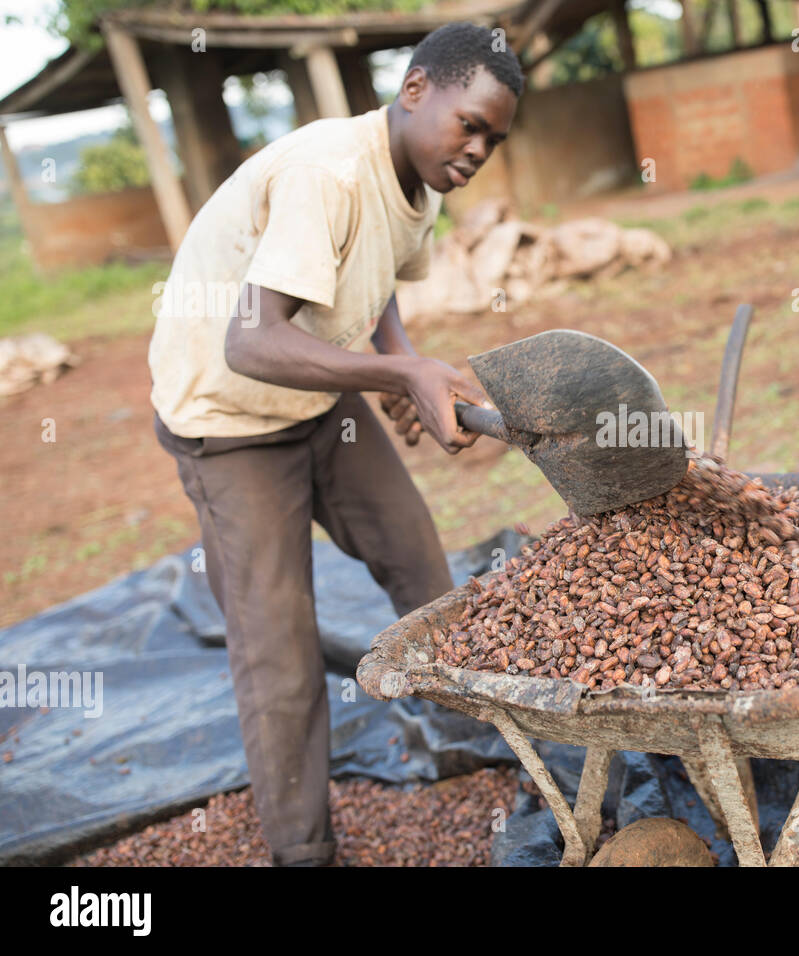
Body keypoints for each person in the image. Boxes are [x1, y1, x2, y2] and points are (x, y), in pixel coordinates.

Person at [147, 23, 522, 866]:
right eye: (470, 124)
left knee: (417, 562)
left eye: (493, 140)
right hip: (230, 421)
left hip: (317, 404)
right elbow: (250, 341)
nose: (477, 150)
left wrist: (394, 358)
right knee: (278, 643)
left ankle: (475, 738)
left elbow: (380, 272)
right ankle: (304, 850)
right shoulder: (327, 173)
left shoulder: (421, 179)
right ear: (416, 89)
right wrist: (398, 377)